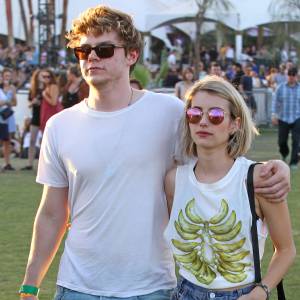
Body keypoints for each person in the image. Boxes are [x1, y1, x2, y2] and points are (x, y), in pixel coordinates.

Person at [19, 5, 291, 300]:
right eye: (84, 51)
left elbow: (217, 166)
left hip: (152, 287)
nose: (93, 57)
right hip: (77, 286)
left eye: (105, 49)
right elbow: (51, 213)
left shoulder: (171, 113)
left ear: (132, 55)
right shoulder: (60, 125)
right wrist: (30, 284)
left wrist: (277, 167)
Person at [164, 75, 296, 300]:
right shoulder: (174, 180)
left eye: (215, 115)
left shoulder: (259, 178)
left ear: (235, 124)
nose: (203, 122)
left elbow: (286, 250)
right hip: (185, 293)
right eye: (195, 114)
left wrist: (260, 292)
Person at [272, 67, 300, 169]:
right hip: (283, 118)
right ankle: (284, 154)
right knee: (282, 141)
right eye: (289, 74)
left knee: (296, 141)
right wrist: (274, 114)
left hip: (297, 117)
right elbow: (275, 102)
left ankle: (293, 162)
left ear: (296, 76)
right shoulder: (280, 88)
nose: (291, 77)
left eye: (293, 75)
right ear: (286, 75)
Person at [21, 69, 44, 170]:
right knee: (32, 140)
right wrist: (34, 102)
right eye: (40, 76)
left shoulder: (47, 88)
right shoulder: (33, 90)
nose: (42, 77)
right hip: (35, 116)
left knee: (44, 141)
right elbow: (29, 105)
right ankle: (30, 164)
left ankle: (43, 165)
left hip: (45, 116)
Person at [0, 68, 17, 171]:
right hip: (0, 116)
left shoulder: (12, 88)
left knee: (8, 140)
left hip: (8, 115)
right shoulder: (0, 88)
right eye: (6, 76)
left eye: (9, 76)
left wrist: (8, 102)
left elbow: (15, 103)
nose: (7, 78)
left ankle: (7, 163)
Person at [39, 68, 61, 133]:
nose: (46, 78)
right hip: (46, 112)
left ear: (51, 77)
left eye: (48, 77)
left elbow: (54, 103)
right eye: (44, 76)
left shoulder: (53, 86)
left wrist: (44, 95)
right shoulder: (46, 86)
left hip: (51, 113)